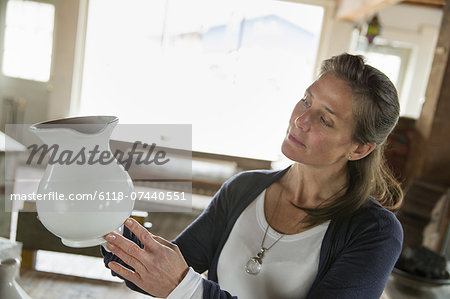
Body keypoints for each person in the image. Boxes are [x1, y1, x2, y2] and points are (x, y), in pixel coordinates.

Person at [101, 53, 404, 299]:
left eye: (324, 119)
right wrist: (97, 221)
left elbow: (179, 285)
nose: (300, 120)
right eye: (306, 100)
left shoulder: (375, 232)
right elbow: (155, 275)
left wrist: (189, 290)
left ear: (360, 149)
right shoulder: (243, 189)